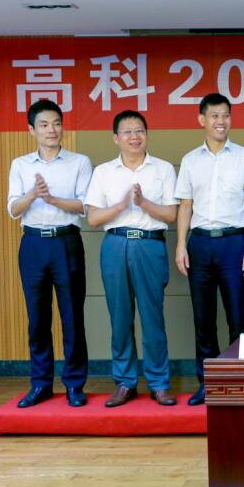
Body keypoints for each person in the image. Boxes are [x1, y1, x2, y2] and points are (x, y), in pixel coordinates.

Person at [85, 110, 178, 407]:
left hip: (149, 245)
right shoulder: (103, 172)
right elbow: (93, 218)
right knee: (120, 318)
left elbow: (171, 214)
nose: (134, 136)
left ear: (146, 135)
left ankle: (159, 383)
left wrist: (143, 202)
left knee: (153, 318)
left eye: (139, 131)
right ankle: (125, 382)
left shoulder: (163, 169)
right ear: (116, 138)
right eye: (127, 132)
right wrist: (123, 204)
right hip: (115, 244)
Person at [175, 93, 244, 406]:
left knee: (238, 317)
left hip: (234, 243)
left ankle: (240, 382)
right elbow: (185, 206)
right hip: (199, 243)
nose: (221, 121)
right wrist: (181, 245)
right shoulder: (190, 160)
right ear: (202, 119)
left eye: (225, 115)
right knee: (204, 319)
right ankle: (207, 384)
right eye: (214, 116)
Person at [6, 99, 92, 408]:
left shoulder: (79, 162)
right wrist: (33, 194)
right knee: (37, 319)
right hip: (33, 245)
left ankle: (74, 385)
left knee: (72, 317)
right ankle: (41, 384)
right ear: (31, 130)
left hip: (65, 242)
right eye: (44, 125)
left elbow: (85, 206)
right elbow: (13, 209)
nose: (51, 130)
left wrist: (53, 199)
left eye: (56, 123)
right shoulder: (21, 165)